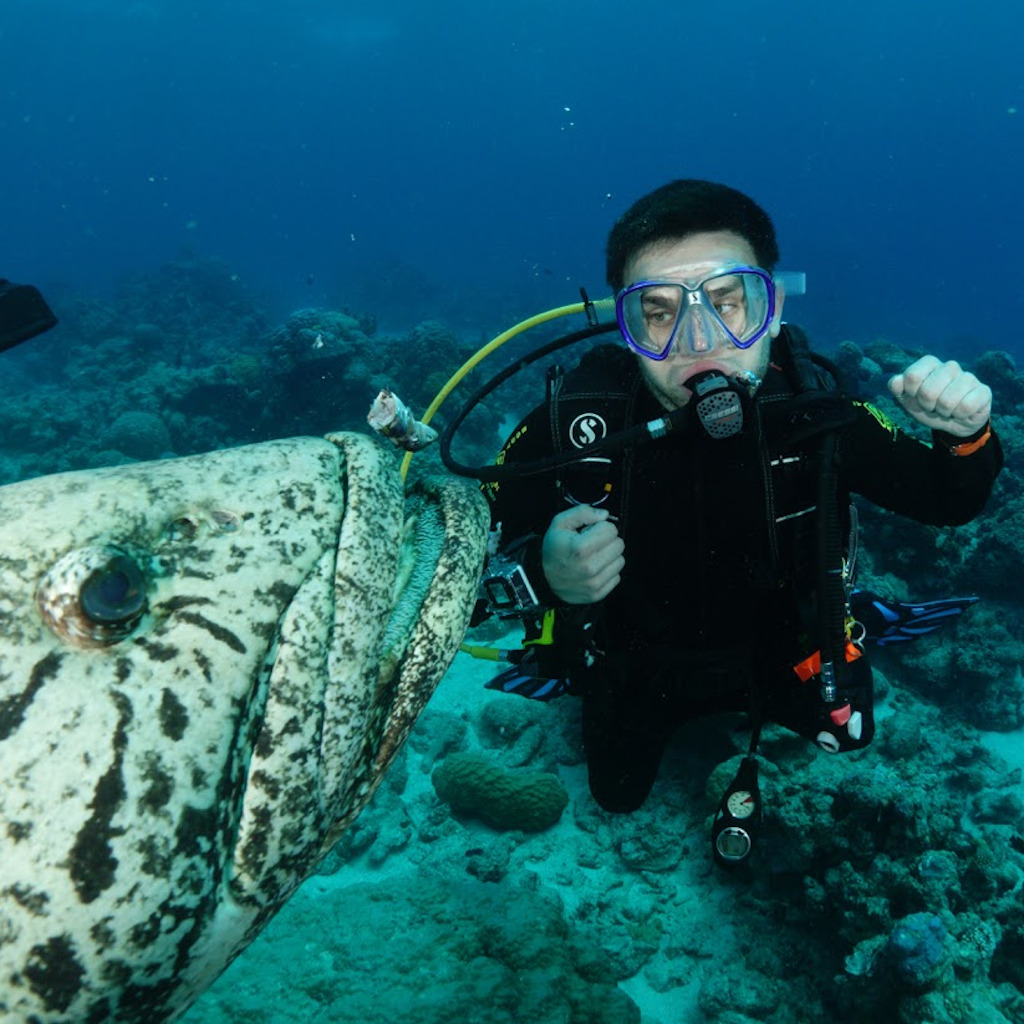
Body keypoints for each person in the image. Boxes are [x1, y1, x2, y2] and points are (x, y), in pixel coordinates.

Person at [481, 179, 1002, 861]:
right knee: (616, 795)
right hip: (637, 665)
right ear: (626, 329)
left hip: (785, 652)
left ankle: (857, 614)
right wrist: (543, 576)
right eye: (660, 313)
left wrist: (965, 436)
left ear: (773, 308)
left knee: (852, 738)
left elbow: (948, 501)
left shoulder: (819, 415)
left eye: (729, 303)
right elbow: (461, 572)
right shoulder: (578, 428)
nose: (702, 341)